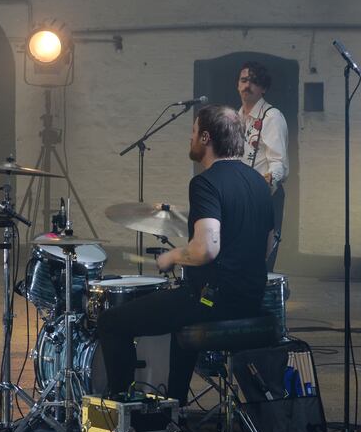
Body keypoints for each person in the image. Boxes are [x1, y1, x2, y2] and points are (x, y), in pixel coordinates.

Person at [97, 105, 275, 404]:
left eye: (192, 132)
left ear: (206, 137)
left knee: (111, 322)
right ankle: (175, 406)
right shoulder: (258, 182)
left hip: (212, 301)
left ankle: (124, 409)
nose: (189, 138)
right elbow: (268, 245)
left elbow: (205, 249)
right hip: (250, 299)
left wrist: (173, 257)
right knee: (180, 313)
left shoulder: (206, 182)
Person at [237, 62, 288, 271]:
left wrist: (264, 183)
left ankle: (264, 302)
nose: (247, 85)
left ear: (263, 88)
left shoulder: (272, 116)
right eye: (244, 80)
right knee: (241, 257)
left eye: (254, 81)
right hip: (241, 197)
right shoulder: (235, 118)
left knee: (262, 263)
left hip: (265, 196)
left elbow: (279, 164)